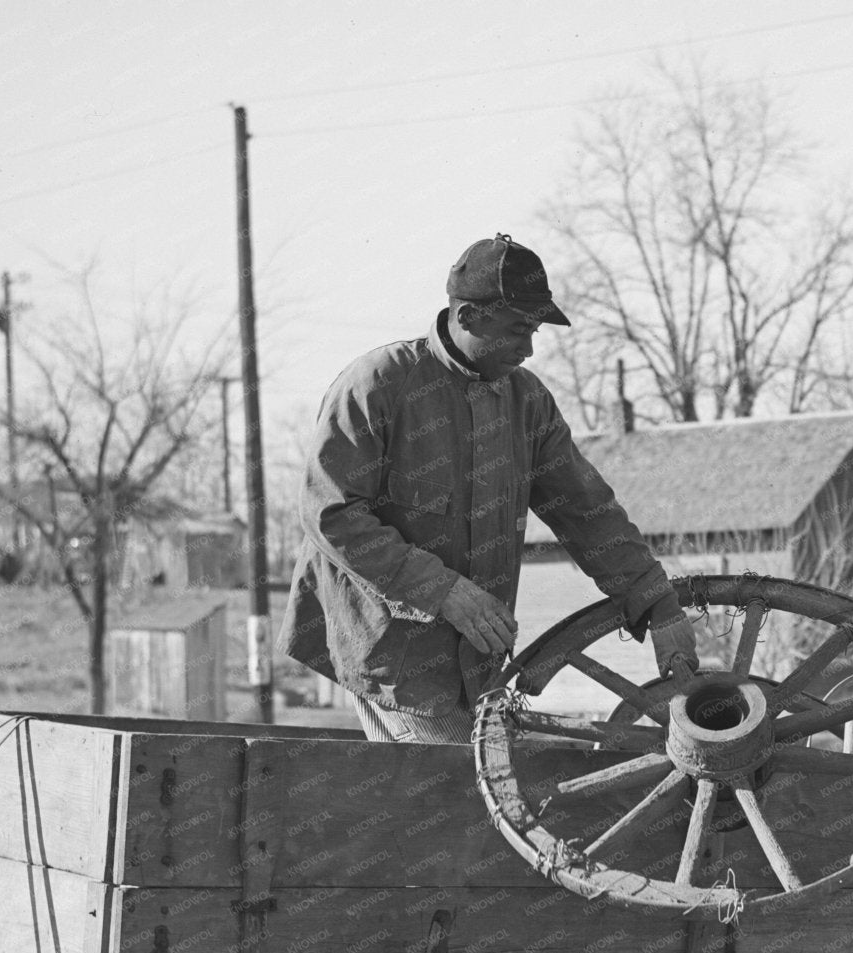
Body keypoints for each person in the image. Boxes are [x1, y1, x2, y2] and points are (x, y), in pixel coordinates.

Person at [281, 233, 698, 743]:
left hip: (475, 664)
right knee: (476, 786)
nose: (529, 348)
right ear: (470, 317)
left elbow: (586, 511)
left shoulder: (528, 403)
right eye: (518, 329)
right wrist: (444, 591)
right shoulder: (377, 385)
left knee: (456, 785)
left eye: (534, 331)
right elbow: (332, 514)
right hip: (394, 656)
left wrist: (658, 604)